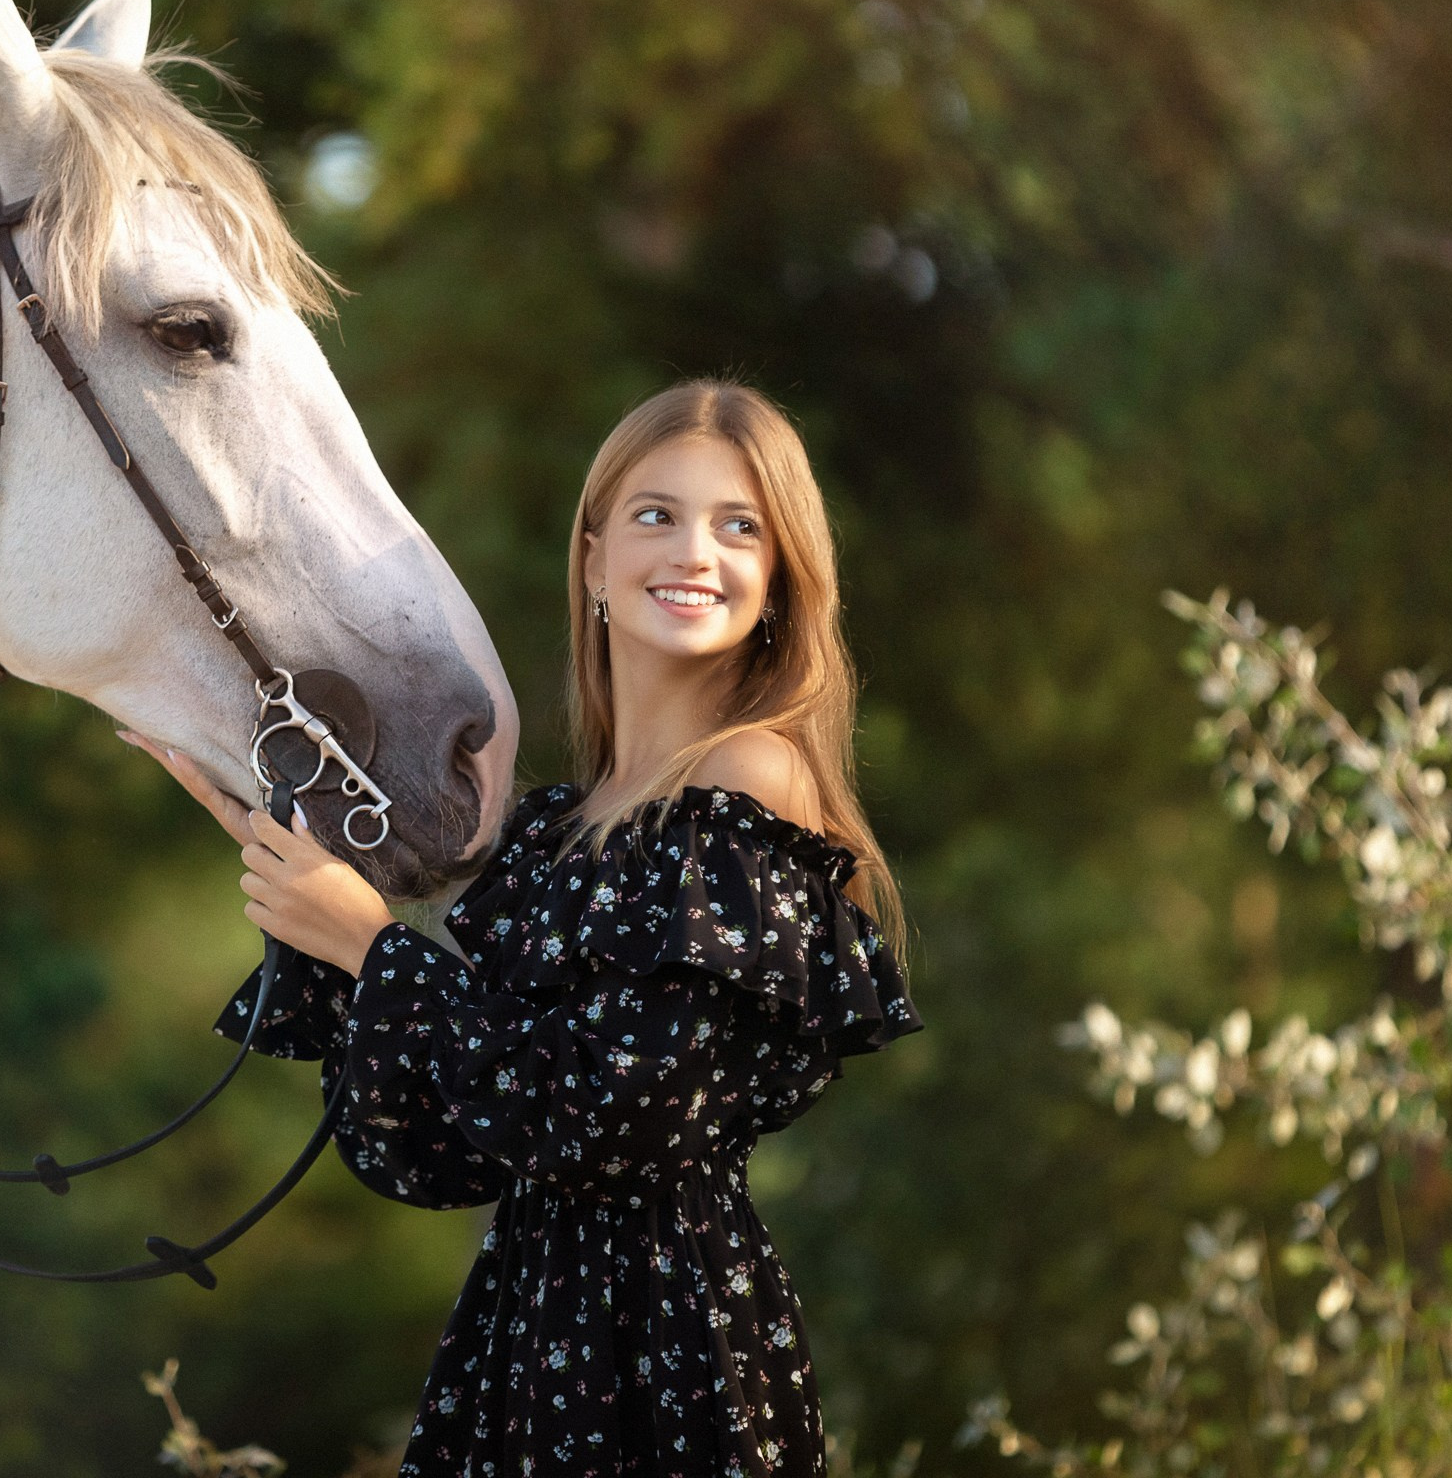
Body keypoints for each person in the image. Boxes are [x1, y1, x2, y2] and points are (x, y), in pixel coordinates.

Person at [124, 379, 920, 1476]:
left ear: (779, 580)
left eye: (741, 526)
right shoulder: (559, 832)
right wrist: (301, 886)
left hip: (668, 1348)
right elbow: (434, 1150)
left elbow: (608, 1115)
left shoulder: (752, 778)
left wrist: (372, 946)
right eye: (657, 514)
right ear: (594, 557)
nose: (696, 550)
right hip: (527, 1337)